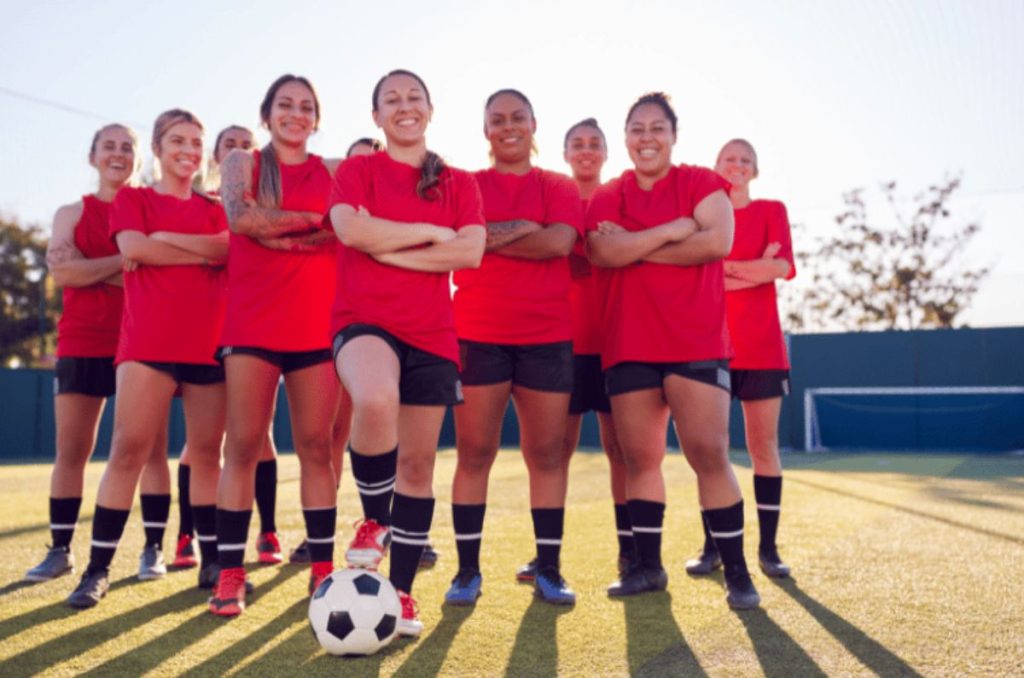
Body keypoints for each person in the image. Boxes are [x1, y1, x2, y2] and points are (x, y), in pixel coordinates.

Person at [586, 93, 760, 608]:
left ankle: (738, 572)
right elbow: (602, 251)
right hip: (629, 343)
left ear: (673, 135)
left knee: (708, 453)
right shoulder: (609, 195)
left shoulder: (702, 183)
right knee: (641, 458)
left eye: (656, 128)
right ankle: (647, 569)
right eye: (637, 128)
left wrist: (636, 246)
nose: (646, 137)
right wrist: (674, 230)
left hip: (695, 341)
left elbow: (717, 243)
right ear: (625, 138)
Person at [328, 68, 485, 636]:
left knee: (418, 467)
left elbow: (469, 254)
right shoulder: (358, 169)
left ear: (431, 109)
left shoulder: (461, 182)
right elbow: (349, 232)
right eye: (390, 99)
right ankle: (374, 521)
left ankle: (400, 596)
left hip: (433, 333)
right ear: (376, 117)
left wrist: (391, 246)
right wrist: (432, 234)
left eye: (413, 97)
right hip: (363, 321)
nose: (403, 106)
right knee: (374, 400)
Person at [66, 109, 229, 608]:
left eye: (197, 142)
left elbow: (226, 251)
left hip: (207, 342)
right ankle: (96, 571)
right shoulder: (134, 199)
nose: (189, 149)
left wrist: (168, 242)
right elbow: (135, 246)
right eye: (178, 140)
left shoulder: (215, 206)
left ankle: (213, 560)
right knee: (128, 451)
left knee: (206, 456)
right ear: (157, 147)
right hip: (147, 343)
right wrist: (188, 252)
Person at [209, 74, 343, 617]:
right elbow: (242, 218)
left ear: (317, 117)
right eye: (285, 105)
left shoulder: (334, 170)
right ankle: (231, 575)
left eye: (307, 106)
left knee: (316, 446)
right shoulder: (244, 160)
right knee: (241, 445)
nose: (297, 114)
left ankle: (322, 572)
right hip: (252, 326)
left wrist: (280, 229)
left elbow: (340, 231)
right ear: (267, 115)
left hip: (317, 325)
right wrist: (312, 223)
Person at [446, 89, 582, 607]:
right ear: (485, 130)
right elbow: (459, 243)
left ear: (533, 124)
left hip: (547, 336)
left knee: (546, 455)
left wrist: (486, 237)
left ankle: (549, 568)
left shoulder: (558, 184)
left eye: (517, 117)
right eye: (497, 119)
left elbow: (559, 243)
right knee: (474, 452)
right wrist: (522, 229)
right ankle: (466, 572)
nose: (508, 126)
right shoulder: (466, 185)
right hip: (478, 333)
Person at [26, 124, 171, 583]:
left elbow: (162, 271)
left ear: (138, 159)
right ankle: (61, 550)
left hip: (144, 340)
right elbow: (64, 272)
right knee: (72, 449)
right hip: (83, 340)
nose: (118, 153)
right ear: (93, 157)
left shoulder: (150, 208)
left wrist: (122, 262)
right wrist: (126, 259)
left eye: (127, 147)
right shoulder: (72, 212)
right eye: (109, 146)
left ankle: (153, 549)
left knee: (150, 450)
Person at [172, 124, 285, 570]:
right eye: (230, 145)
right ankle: (188, 536)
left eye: (246, 145)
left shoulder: (267, 205)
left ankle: (268, 530)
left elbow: (224, 249)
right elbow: (215, 247)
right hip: (201, 329)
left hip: (254, 327)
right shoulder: (198, 204)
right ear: (217, 157)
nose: (239, 150)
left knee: (259, 436)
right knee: (201, 443)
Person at [684, 138, 795, 579]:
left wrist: (731, 268)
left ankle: (768, 550)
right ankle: (713, 547)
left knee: (762, 447)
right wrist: (756, 266)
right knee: (712, 452)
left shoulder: (772, 211)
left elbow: (782, 268)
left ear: (756, 169)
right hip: (711, 347)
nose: (738, 165)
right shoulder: (704, 216)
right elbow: (700, 275)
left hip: (764, 349)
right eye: (730, 158)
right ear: (716, 166)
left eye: (746, 159)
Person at [559, 118, 633, 576]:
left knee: (621, 450)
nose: (586, 151)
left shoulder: (620, 199)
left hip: (613, 342)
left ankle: (631, 550)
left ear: (606, 152)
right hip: (560, 343)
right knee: (554, 452)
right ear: (565, 152)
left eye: (594, 144)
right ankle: (549, 554)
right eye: (577, 144)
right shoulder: (555, 198)